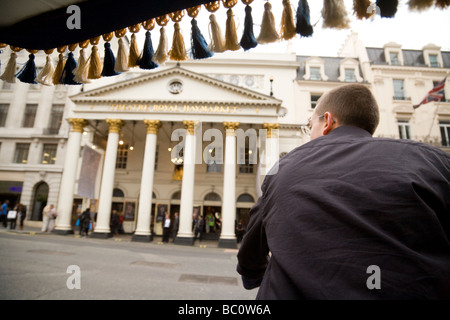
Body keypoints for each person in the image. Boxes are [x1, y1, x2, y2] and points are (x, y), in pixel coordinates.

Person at [237, 83, 450, 299]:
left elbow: (251, 254)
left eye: (310, 126)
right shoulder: (434, 162)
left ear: (327, 121)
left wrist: (253, 276)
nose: (309, 133)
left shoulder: (285, 168)